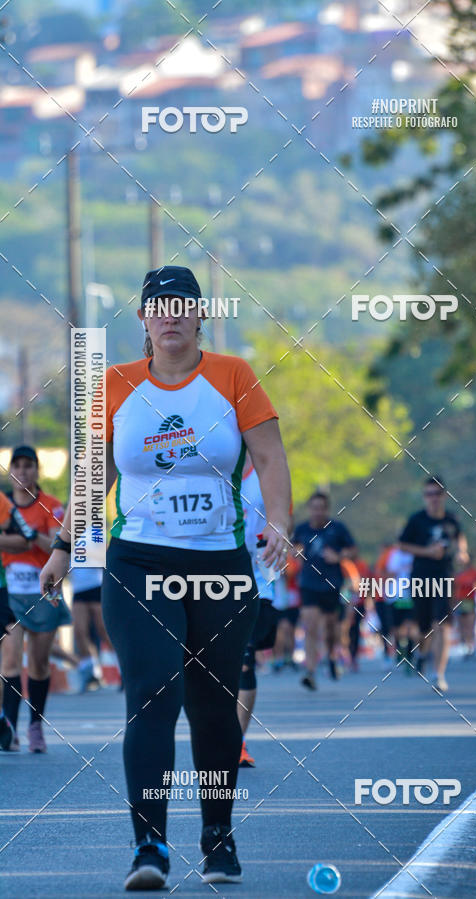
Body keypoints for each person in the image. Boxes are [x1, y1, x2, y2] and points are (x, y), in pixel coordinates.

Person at [40, 266, 291, 890]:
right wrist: (65, 547)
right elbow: (91, 478)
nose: (172, 316)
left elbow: (269, 455)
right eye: (160, 307)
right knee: (153, 692)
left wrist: (280, 523)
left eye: (184, 307)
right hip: (138, 560)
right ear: (145, 320)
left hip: (219, 563)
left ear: (200, 317)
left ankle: (217, 838)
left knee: (212, 706)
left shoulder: (232, 375)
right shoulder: (114, 385)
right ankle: (148, 847)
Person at [1, 446, 68, 753]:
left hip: (44, 591)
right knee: (11, 658)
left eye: (29, 465)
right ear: (11, 471)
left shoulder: (52, 506)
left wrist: (29, 535)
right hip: (10, 593)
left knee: (39, 665)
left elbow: (57, 545)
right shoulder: (3, 505)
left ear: (37, 471)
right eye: (18, 465)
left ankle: (35, 725)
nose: (23, 471)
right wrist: (24, 540)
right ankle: (10, 729)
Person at [398, 475, 468, 693]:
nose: (433, 498)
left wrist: (462, 553)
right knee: (424, 628)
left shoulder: (451, 519)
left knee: (442, 625)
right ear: (424, 497)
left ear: (444, 496)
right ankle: (421, 653)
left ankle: (439, 675)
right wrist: (427, 551)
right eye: (429, 494)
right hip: (421, 577)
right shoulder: (416, 520)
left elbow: (460, 538)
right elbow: (402, 545)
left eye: (437, 494)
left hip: (444, 576)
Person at [237, 456, 280, 769]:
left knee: (244, 661)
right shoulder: (213, 466)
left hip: (258, 581)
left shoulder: (266, 474)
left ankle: (236, 742)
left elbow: (282, 520)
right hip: (213, 580)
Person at [293, 492, 357, 690]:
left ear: (327, 509)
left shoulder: (337, 529)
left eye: (321, 508)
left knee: (331, 629)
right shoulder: (302, 529)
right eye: (314, 507)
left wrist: (338, 556)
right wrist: (295, 552)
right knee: (310, 627)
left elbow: (353, 550)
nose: (318, 512)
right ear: (310, 509)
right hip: (308, 584)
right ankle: (310, 672)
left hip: (332, 584)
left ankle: (331, 658)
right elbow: (293, 548)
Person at [0, 489, 39, 750]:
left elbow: (26, 538)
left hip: (2, 591)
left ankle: (8, 728)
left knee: (11, 660)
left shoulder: (2, 502)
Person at [69, 566, 110, 693]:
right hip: (78, 590)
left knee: (103, 630)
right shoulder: (66, 546)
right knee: (79, 632)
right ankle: (91, 674)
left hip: (96, 586)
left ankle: (123, 671)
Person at [271, 552, 301, 672]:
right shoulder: (272, 557)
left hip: (292, 599)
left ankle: (289, 657)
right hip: (278, 599)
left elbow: (291, 574)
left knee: (291, 629)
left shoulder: (292, 560)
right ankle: (279, 658)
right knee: (280, 629)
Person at [454, 556, 476, 659]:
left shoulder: (474, 572)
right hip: (459, 601)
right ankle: (467, 648)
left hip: (470, 601)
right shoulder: (457, 572)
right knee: (462, 626)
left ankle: (473, 648)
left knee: (470, 626)